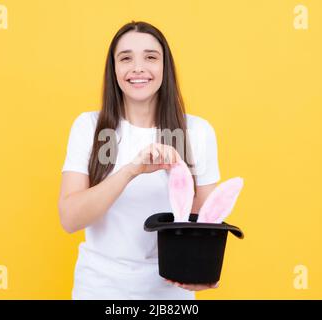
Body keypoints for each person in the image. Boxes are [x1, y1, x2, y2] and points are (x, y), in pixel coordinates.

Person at [58, 21, 221, 300]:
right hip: (99, 289)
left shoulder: (197, 131)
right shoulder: (89, 127)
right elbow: (70, 219)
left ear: (164, 67)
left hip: (170, 293)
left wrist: (204, 269)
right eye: (126, 58)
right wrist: (130, 171)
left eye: (150, 57)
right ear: (114, 70)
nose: (138, 68)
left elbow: (208, 222)